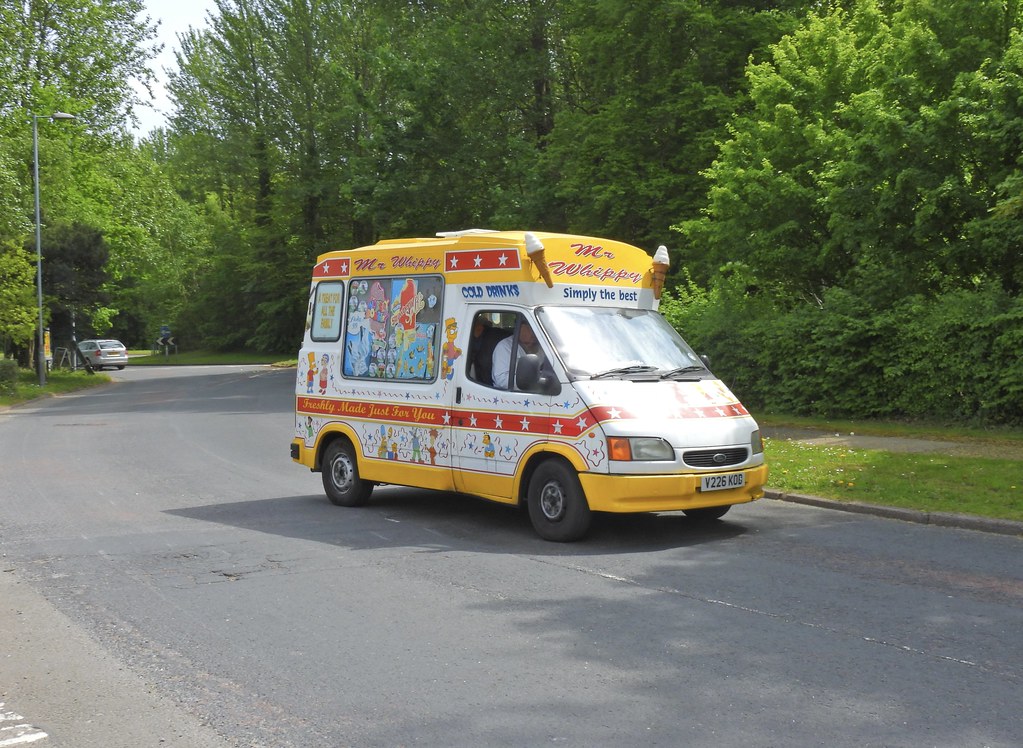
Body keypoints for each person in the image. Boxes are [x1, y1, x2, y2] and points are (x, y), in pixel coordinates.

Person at [492, 320, 541, 389]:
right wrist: (532, 381)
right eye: (530, 328)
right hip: (511, 396)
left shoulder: (543, 345)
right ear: (519, 329)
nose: (534, 332)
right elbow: (502, 380)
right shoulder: (504, 346)